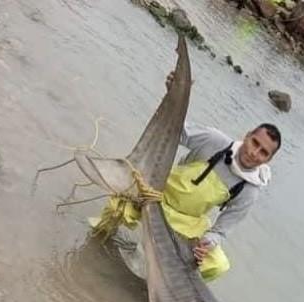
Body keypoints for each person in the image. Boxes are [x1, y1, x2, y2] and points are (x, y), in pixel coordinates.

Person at [95, 72, 281, 282]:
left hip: (188, 223)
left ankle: (166, 289)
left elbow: (221, 230)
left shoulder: (250, 191)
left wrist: (206, 244)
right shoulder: (214, 140)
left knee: (218, 265)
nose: (254, 153)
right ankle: (93, 247)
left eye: (264, 152)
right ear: (247, 136)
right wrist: (173, 96)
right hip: (156, 195)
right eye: (255, 143)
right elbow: (174, 130)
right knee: (115, 208)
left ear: (268, 160)